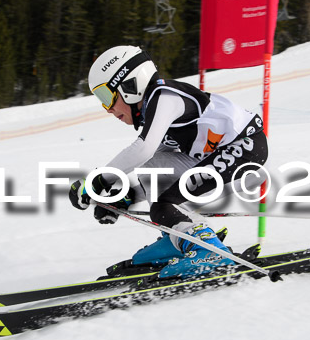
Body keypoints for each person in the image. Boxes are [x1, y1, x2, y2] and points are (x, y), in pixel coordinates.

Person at [68, 45, 268, 279]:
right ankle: (178, 241)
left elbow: (142, 149)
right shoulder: (155, 112)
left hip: (245, 149)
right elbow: (157, 170)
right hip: (221, 155)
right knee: (153, 172)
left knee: (165, 204)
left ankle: (205, 248)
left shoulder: (164, 97)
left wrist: (97, 180)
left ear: (129, 85)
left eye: (106, 97)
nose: (108, 109)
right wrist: (125, 198)